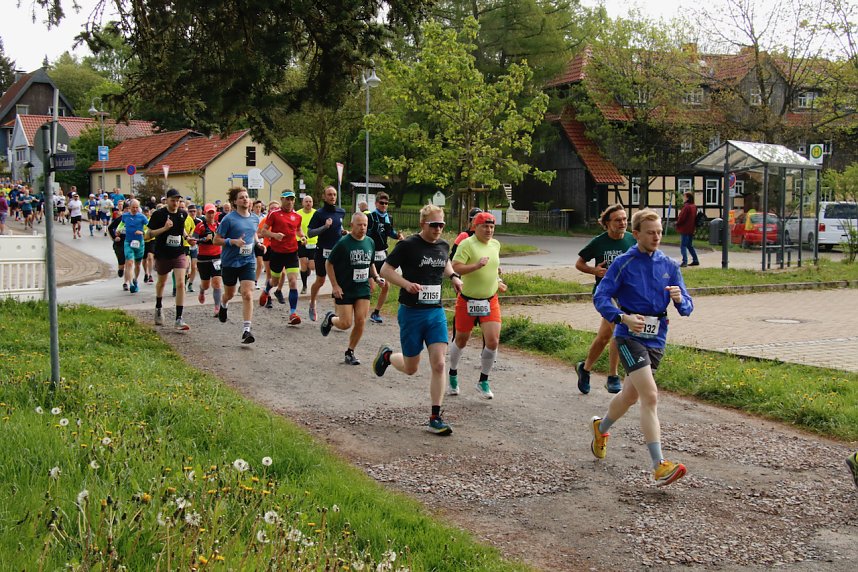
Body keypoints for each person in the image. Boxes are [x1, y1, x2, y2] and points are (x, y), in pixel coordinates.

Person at [589, 208, 693, 486]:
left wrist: (680, 298)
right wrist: (621, 317)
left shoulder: (669, 265)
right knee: (650, 395)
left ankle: (601, 427)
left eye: (659, 232)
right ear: (636, 234)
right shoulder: (623, 263)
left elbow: (688, 307)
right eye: (650, 233)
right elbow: (601, 296)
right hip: (628, 337)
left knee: (630, 396)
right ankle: (659, 466)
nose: (656, 237)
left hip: (657, 338)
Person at [373, 204, 463, 436]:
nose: (438, 229)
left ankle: (435, 417)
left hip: (435, 312)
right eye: (434, 225)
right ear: (423, 223)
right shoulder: (408, 245)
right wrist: (406, 284)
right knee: (411, 368)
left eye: (441, 224)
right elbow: (385, 270)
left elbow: (444, 261)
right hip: (411, 312)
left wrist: (453, 276)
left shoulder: (443, 245)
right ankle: (388, 356)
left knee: (439, 363)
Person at [575, 204, 637, 394]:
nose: (623, 223)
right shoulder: (599, 242)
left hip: (625, 295)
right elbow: (579, 263)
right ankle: (613, 376)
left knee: (603, 337)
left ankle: (585, 368)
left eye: (625, 219)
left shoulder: (631, 239)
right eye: (618, 220)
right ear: (607, 223)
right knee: (619, 328)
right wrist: (594, 270)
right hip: (605, 294)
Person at [448, 211, 507, 398]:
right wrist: (476, 266)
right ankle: (452, 373)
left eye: (492, 227)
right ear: (476, 227)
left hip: (490, 300)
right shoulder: (467, 244)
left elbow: (493, 269)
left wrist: (498, 281)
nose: (489, 230)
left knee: (493, 341)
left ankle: (483, 381)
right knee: (461, 340)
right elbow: (455, 267)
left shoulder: (495, 244)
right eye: (485, 226)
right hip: (467, 300)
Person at [321, 212, 383, 364]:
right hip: (345, 288)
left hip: (362, 288)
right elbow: (329, 263)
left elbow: (371, 263)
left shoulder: (370, 242)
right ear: (352, 225)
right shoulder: (344, 243)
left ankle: (350, 352)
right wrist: (335, 285)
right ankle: (331, 319)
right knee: (345, 324)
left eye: (365, 225)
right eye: (359, 225)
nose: (362, 228)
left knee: (361, 320)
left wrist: (376, 277)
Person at [213, 187, 260, 344]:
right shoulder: (228, 219)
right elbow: (216, 240)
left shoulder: (254, 218)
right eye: (241, 197)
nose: (245, 199)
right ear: (234, 201)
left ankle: (247, 330)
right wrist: (232, 241)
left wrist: (259, 243)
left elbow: (253, 233)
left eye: (246, 197)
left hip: (248, 261)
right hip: (230, 262)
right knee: (230, 294)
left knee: (247, 294)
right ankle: (223, 303)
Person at [146, 189, 194, 330]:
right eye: (173, 200)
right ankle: (158, 307)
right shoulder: (158, 214)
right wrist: (164, 228)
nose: (175, 203)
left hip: (178, 252)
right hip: (163, 254)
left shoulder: (182, 214)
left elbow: (181, 230)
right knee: (161, 282)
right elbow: (148, 235)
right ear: (166, 200)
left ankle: (179, 318)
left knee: (180, 283)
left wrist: (187, 238)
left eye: (178, 201)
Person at [259, 191, 304, 324]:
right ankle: (267, 290)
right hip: (277, 253)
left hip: (292, 253)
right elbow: (263, 231)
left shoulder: (297, 216)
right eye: (287, 199)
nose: (290, 202)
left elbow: (298, 230)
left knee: (293, 282)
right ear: (282, 199)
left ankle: (293, 313)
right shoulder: (274, 214)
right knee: (274, 281)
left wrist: (302, 237)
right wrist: (274, 235)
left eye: (292, 199)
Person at [307, 186, 347, 321]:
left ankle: (337, 314)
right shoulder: (319, 214)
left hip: (337, 252)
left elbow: (339, 227)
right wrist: (325, 227)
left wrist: (343, 232)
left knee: (338, 282)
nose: (332, 197)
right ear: (324, 197)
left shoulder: (341, 212)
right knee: (320, 281)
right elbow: (310, 233)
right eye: (329, 194)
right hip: (322, 252)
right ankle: (312, 303)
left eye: (334, 194)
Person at [366, 191, 404, 324]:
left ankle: (376, 312)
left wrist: (397, 236)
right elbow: (365, 234)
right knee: (370, 287)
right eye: (381, 203)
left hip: (382, 255)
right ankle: (357, 308)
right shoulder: (370, 217)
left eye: (386, 203)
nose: (384, 205)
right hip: (370, 256)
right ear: (376, 203)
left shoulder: (388, 217)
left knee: (386, 286)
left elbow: (389, 232)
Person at [194, 203, 224, 317]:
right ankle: (202, 290)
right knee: (206, 285)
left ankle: (217, 307)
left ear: (215, 213)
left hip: (217, 257)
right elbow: (192, 240)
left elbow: (224, 238)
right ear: (204, 213)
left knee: (217, 283)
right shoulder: (200, 226)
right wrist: (203, 239)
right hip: (203, 259)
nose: (211, 215)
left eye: (212, 213)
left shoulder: (220, 225)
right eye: (209, 213)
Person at [121, 199, 148, 293]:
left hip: (139, 243)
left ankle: (135, 279)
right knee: (129, 262)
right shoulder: (125, 216)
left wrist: (142, 232)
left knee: (137, 264)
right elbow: (121, 224)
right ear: (129, 207)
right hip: (128, 242)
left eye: (137, 207)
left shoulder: (142, 217)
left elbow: (149, 228)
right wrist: (118, 230)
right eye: (133, 207)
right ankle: (131, 284)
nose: (135, 209)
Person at [297, 194, 317, 294]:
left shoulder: (316, 213)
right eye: (306, 201)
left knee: (312, 266)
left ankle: (309, 268)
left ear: (312, 203)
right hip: (301, 242)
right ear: (303, 203)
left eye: (310, 201)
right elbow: (295, 228)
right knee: (303, 264)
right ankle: (304, 286)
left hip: (314, 242)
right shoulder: (298, 214)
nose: (308, 203)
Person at [676, 191, 700, 267]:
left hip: (685, 228)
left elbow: (682, 217)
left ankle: (685, 261)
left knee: (683, 245)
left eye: (684, 196)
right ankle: (695, 260)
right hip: (691, 228)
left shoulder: (686, 207)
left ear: (687, 198)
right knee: (689, 245)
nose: (683, 198)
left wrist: (677, 223)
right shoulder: (694, 206)